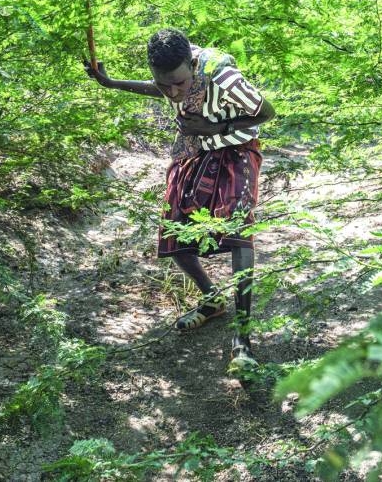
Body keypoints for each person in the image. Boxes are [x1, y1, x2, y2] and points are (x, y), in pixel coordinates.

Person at [85, 28, 275, 372]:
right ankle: (211, 300)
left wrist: (214, 129)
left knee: (236, 232)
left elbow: (266, 113)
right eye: (164, 84)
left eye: (181, 83)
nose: (173, 91)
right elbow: (159, 90)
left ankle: (242, 339)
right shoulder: (169, 77)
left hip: (237, 150)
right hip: (192, 150)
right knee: (173, 231)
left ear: (193, 65)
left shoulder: (225, 78)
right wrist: (111, 83)